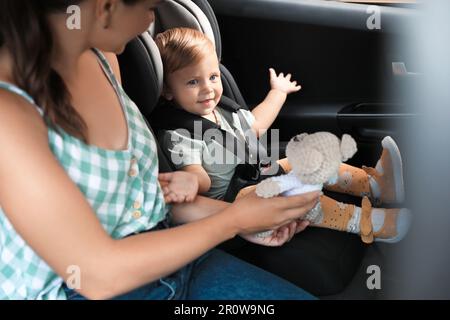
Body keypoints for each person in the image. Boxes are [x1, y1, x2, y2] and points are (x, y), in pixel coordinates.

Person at [0, 0, 321, 300]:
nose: (151, 20)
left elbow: (144, 202)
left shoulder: (103, 58)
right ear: (106, 8)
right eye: (150, 7)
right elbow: (95, 275)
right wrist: (234, 221)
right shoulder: (9, 113)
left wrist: (256, 221)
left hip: (172, 255)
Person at [155, 27, 411, 244]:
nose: (208, 89)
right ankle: (371, 224)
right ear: (168, 90)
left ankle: (375, 186)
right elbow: (200, 179)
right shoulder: (180, 135)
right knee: (295, 195)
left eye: (213, 77)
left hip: (258, 173)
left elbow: (257, 124)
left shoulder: (222, 111)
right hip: (236, 202)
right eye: (192, 83)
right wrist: (189, 181)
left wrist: (277, 92)